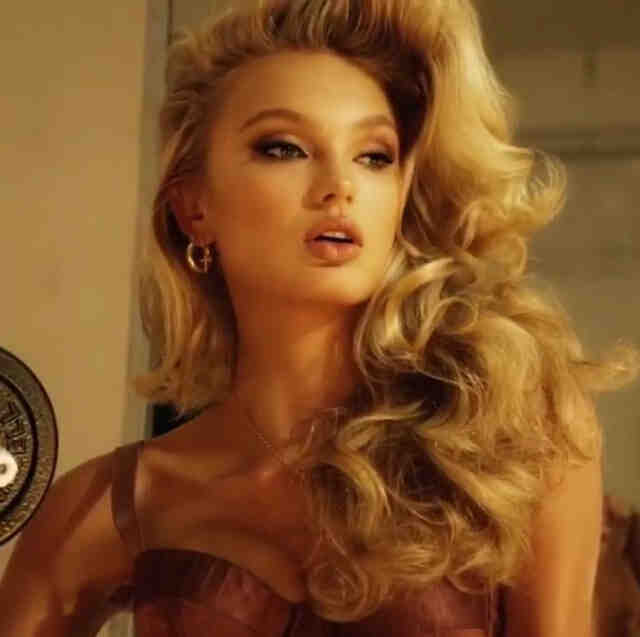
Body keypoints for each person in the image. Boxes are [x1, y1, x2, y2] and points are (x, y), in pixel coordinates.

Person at [1, 0, 638, 635]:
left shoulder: (519, 436)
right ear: (194, 208)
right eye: (284, 148)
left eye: (374, 156)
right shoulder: (115, 505)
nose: (340, 186)